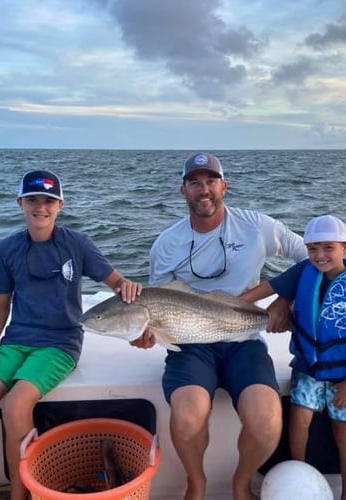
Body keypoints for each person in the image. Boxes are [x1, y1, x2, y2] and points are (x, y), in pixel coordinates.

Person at [0, 170, 142, 500]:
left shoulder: (77, 244)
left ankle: (19, 495)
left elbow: (116, 283)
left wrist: (130, 287)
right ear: (20, 203)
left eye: (49, 201)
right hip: (15, 342)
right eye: (33, 200)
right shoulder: (6, 248)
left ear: (60, 205)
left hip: (60, 343)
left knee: (15, 406)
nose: (41, 207)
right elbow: (1, 305)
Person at [132, 152, 308, 500]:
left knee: (267, 420)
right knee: (187, 416)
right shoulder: (167, 244)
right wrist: (148, 334)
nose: (204, 189)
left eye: (211, 180)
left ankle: (241, 484)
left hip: (244, 336)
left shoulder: (255, 226)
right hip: (189, 343)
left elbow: (307, 254)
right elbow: (158, 302)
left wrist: (283, 301)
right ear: (182, 190)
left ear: (224, 186)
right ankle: (196, 483)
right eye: (194, 182)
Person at [240, 214, 346, 500]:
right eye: (312, 248)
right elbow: (269, 287)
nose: (319, 255)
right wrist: (233, 302)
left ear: (345, 247)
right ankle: (300, 477)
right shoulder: (303, 272)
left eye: (328, 247)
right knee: (299, 421)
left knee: (345, 431)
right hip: (308, 367)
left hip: (345, 376)